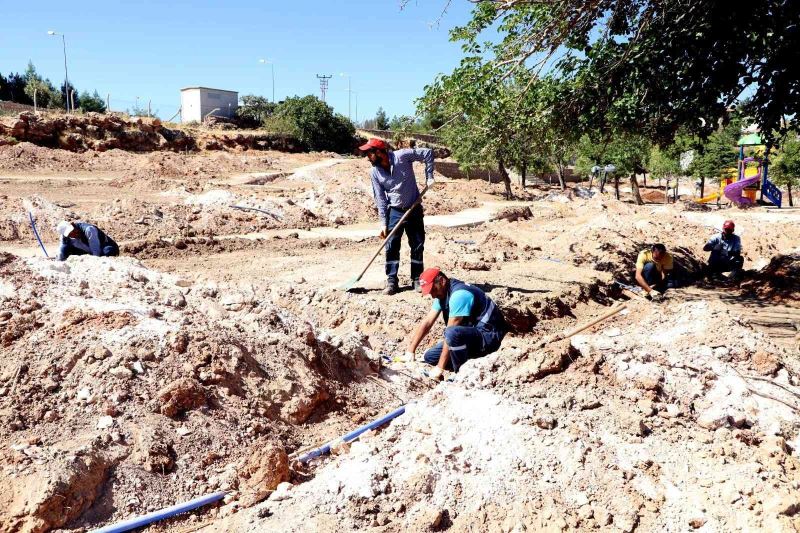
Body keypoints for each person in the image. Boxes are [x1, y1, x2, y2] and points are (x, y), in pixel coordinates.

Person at [402, 267, 509, 380]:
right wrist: (411, 350)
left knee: (452, 333)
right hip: (473, 333)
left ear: (442, 281)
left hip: (489, 336)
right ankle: (470, 359)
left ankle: (460, 373)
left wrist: (439, 369)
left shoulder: (459, 295)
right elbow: (428, 322)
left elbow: (452, 330)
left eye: (433, 289)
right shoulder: (442, 294)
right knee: (430, 357)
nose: (432, 295)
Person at [360, 138, 435, 295]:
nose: (367, 156)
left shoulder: (402, 156)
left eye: (369, 153)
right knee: (392, 245)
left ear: (379, 152)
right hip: (394, 211)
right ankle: (392, 281)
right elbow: (380, 198)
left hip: (413, 208)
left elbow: (427, 153)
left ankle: (416, 279)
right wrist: (383, 223)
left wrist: (429, 176)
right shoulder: (375, 172)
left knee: (417, 244)